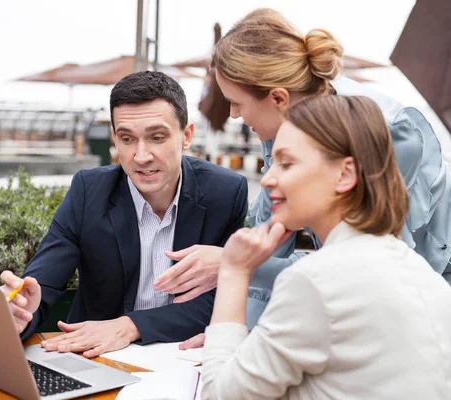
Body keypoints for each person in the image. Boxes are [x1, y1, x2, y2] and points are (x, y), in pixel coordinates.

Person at [153, 8, 451, 348]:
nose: (233, 115)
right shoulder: (280, 124)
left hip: (426, 299)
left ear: (278, 98)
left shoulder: (389, 133)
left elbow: (369, 269)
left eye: (235, 103)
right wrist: (242, 332)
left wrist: (234, 266)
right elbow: (270, 237)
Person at [202, 95, 451, 400]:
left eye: (287, 163)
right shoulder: (424, 276)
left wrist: (234, 271)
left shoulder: (315, 281)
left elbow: (221, 394)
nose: (267, 179)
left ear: (345, 174)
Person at [0, 71, 248, 358]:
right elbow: (42, 283)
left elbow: (222, 299)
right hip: (96, 358)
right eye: (127, 139)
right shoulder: (88, 191)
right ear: (114, 140)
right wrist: (22, 311)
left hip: (181, 356)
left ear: (186, 136)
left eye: (157, 137)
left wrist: (130, 326)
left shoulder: (225, 193)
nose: (141, 156)